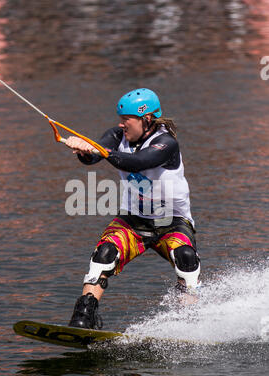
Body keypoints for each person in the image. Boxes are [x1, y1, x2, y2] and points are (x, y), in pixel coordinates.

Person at [65, 88, 201, 329]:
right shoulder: (118, 135)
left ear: (146, 119)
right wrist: (83, 150)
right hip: (133, 221)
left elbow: (138, 163)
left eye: (126, 118)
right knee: (104, 254)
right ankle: (84, 315)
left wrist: (101, 151)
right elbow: (93, 158)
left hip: (172, 222)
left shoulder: (166, 142)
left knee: (186, 258)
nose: (121, 124)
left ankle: (187, 323)